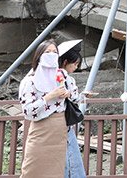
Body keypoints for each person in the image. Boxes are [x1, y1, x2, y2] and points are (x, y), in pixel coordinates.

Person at [19, 40, 80, 178]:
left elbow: (76, 97)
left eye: (54, 52)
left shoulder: (63, 76)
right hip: (40, 127)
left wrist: (68, 94)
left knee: (56, 169)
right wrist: (49, 96)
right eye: (47, 52)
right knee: (31, 168)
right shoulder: (30, 80)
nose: (51, 55)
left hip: (60, 127)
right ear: (39, 56)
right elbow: (27, 110)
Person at [58, 40, 88, 178]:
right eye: (75, 64)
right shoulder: (66, 77)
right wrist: (82, 96)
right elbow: (74, 97)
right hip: (64, 121)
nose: (76, 67)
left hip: (52, 121)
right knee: (71, 156)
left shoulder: (50, 75)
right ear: (65, 62)